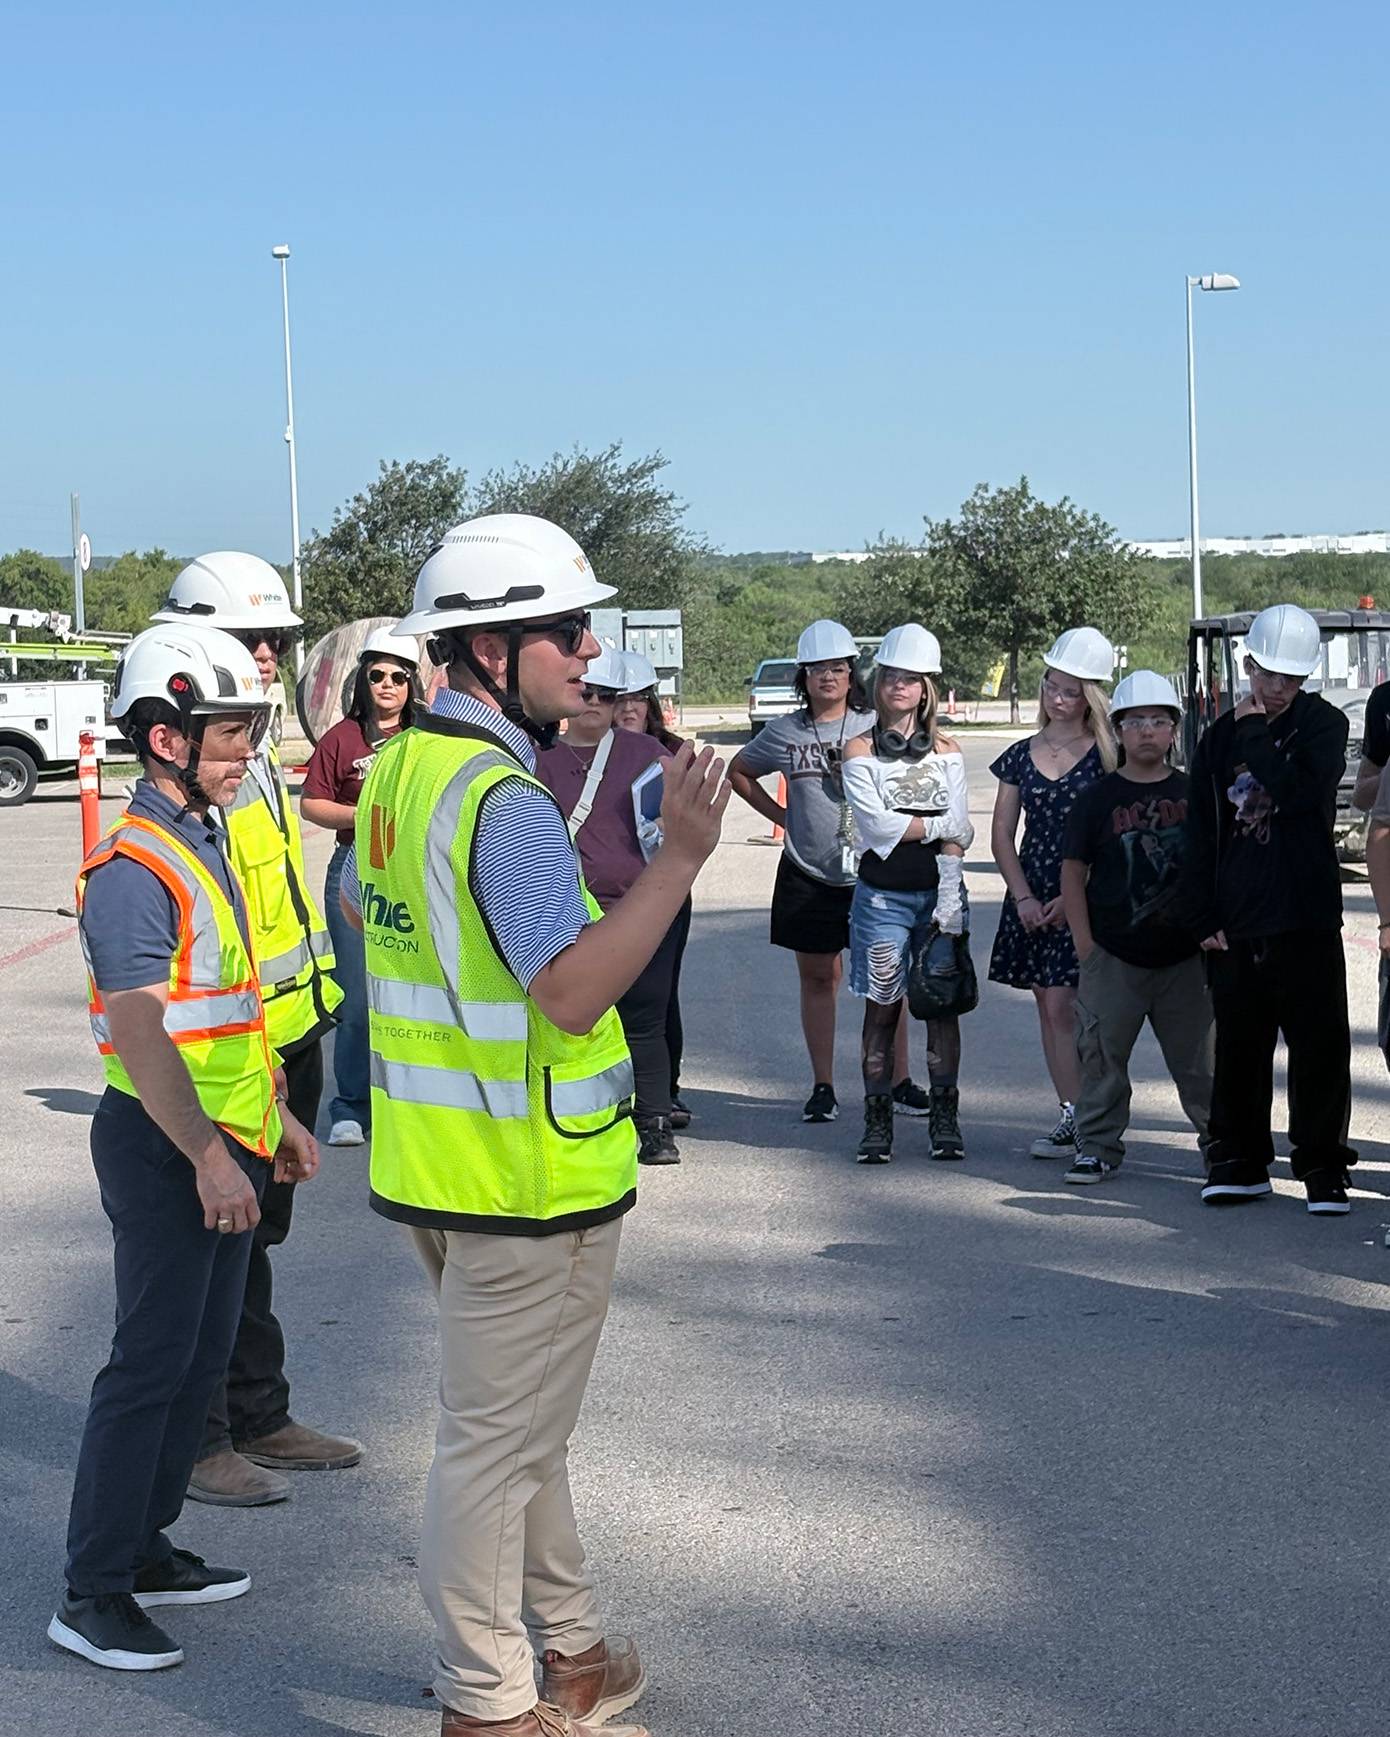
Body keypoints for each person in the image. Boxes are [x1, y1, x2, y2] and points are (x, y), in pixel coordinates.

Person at [340, 513, 727, 1736]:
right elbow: (566, 989)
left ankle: (572, 1654)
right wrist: (675, 865)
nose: (588, 650)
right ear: (490, 648)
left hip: (443, 1168)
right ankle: (488, 1702)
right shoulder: (501, 797)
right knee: (491, 1450)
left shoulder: (401, 772)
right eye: (566, 629)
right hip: (526, 1180)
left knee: (521, 1431)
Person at [50, 625, 319, 1673]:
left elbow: (231, 1016)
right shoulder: (131, 869)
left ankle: (147, 1546)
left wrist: (276, 1125)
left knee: (198, 1359)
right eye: (228, 731)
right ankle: (93, 1589)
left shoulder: (204, 834)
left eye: (252, 729)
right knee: (149, 1365)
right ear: (162, 737)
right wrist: (209, 1155)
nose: (246, 748)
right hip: (167, 1146)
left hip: (224, 1137)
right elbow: (142, 1029)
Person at [151, 554, 357, 1505]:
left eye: (275, 639)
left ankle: (258, 1412)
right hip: (235, 1053)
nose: (270, 655)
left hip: (287, 1035)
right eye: (251, 640)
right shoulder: (193, 780)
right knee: (215, 1245)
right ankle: (201, 1441)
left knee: (257, 1240)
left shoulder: (258, 760)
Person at [1178, 603, 1357, 1213]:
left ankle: (1322, 1165)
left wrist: (1256, 735)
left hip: (1305, 913)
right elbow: (1200, 830)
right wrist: (1202, 913)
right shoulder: (1216, 738)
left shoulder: (1324, 725)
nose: (1276, 688)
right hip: (1238, 916)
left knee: (1320, 1045)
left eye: (1290, 679)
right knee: (1240, 1045)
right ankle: (1239, 1158)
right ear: (1247, 664)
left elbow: (1300, 794)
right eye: (1267, 674)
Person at [729, 619, 933, 1124]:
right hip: (807, 872)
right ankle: (823, 1085)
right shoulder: (784, 732)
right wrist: (781, 818)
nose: (828, 677)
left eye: (838, 668)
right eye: (818, 668)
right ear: (803, 675)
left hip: (873, 869)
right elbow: (740, 771)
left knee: (890, 980)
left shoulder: (875, 726)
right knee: (819, 977)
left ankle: (900, 1079)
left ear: (851, 674)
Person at [1058, 671, 1213, 1184]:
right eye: (1136, 722)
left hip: (1185, 957)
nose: (1147, 731)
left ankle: (1221, 1147)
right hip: (1114, 954)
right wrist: (1086, 947)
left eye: (1158, 721)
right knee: (1101, 1057)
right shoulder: (1097, 798)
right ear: (1118, 730)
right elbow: (1072, 873)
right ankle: (1097, 1145)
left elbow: (1217, 867)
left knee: (1202, 1064)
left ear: (1174, 730)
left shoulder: (1196, 793)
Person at [537, 646, 683, 1164]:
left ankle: (657, 1126)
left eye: (606, 695)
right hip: (571, 910)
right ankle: (585, 1120)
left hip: (638, 906)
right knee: (583, 1019)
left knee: (645, 1017)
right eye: (588, 691)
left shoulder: (646, 754)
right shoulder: (538, 758)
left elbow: (675, 824)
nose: (595, 702)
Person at [842, 624, 973, 1163]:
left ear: (926, 689)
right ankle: (878, 1123)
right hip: (881, 900)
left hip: (941, 892)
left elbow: (961, 829)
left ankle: (945, 1120)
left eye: (911, 678)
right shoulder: (857, 748)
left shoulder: (948, 749)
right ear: (879, 683)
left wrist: (947, 892)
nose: (900, 685)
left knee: (942, 1007)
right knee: (883, 1009)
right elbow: (876, 830)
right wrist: (939, 824)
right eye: (892, 675)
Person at [988, 626, 1116, 1159]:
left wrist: (1073, 898)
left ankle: (1096, 1117)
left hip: (1087, 892)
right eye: (1051, 686)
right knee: (1048, 1005)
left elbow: (1115, 833)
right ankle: (1073, 1115)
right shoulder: (1020, 754)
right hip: (1031, 893)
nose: (1057, 699)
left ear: (1091, 697)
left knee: (1078, 1007)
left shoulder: (1109, 755)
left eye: (1070, 690)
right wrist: (1024, 899)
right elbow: (1001, 835)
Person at [301, 624, 421, 1147]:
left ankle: (410, 1103)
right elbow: (311, 803)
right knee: (356, 998)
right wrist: (367, 814)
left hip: (415, 873)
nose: (388, 685)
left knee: (414, 995)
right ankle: (350, 1106)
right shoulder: (341, 739)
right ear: (363, 681)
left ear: (412, 684)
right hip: (355, 868)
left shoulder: (427, 737)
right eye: (378, 675)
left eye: (399, 676)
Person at [613, 650, 692, 1127]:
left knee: (660, 998)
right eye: (617, 699)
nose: (627, 709)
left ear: (651, 704)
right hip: (608, 894)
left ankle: (667, 1092)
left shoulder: (674, 754)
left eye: (637, 699)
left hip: (665, 893)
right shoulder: (581, 754)